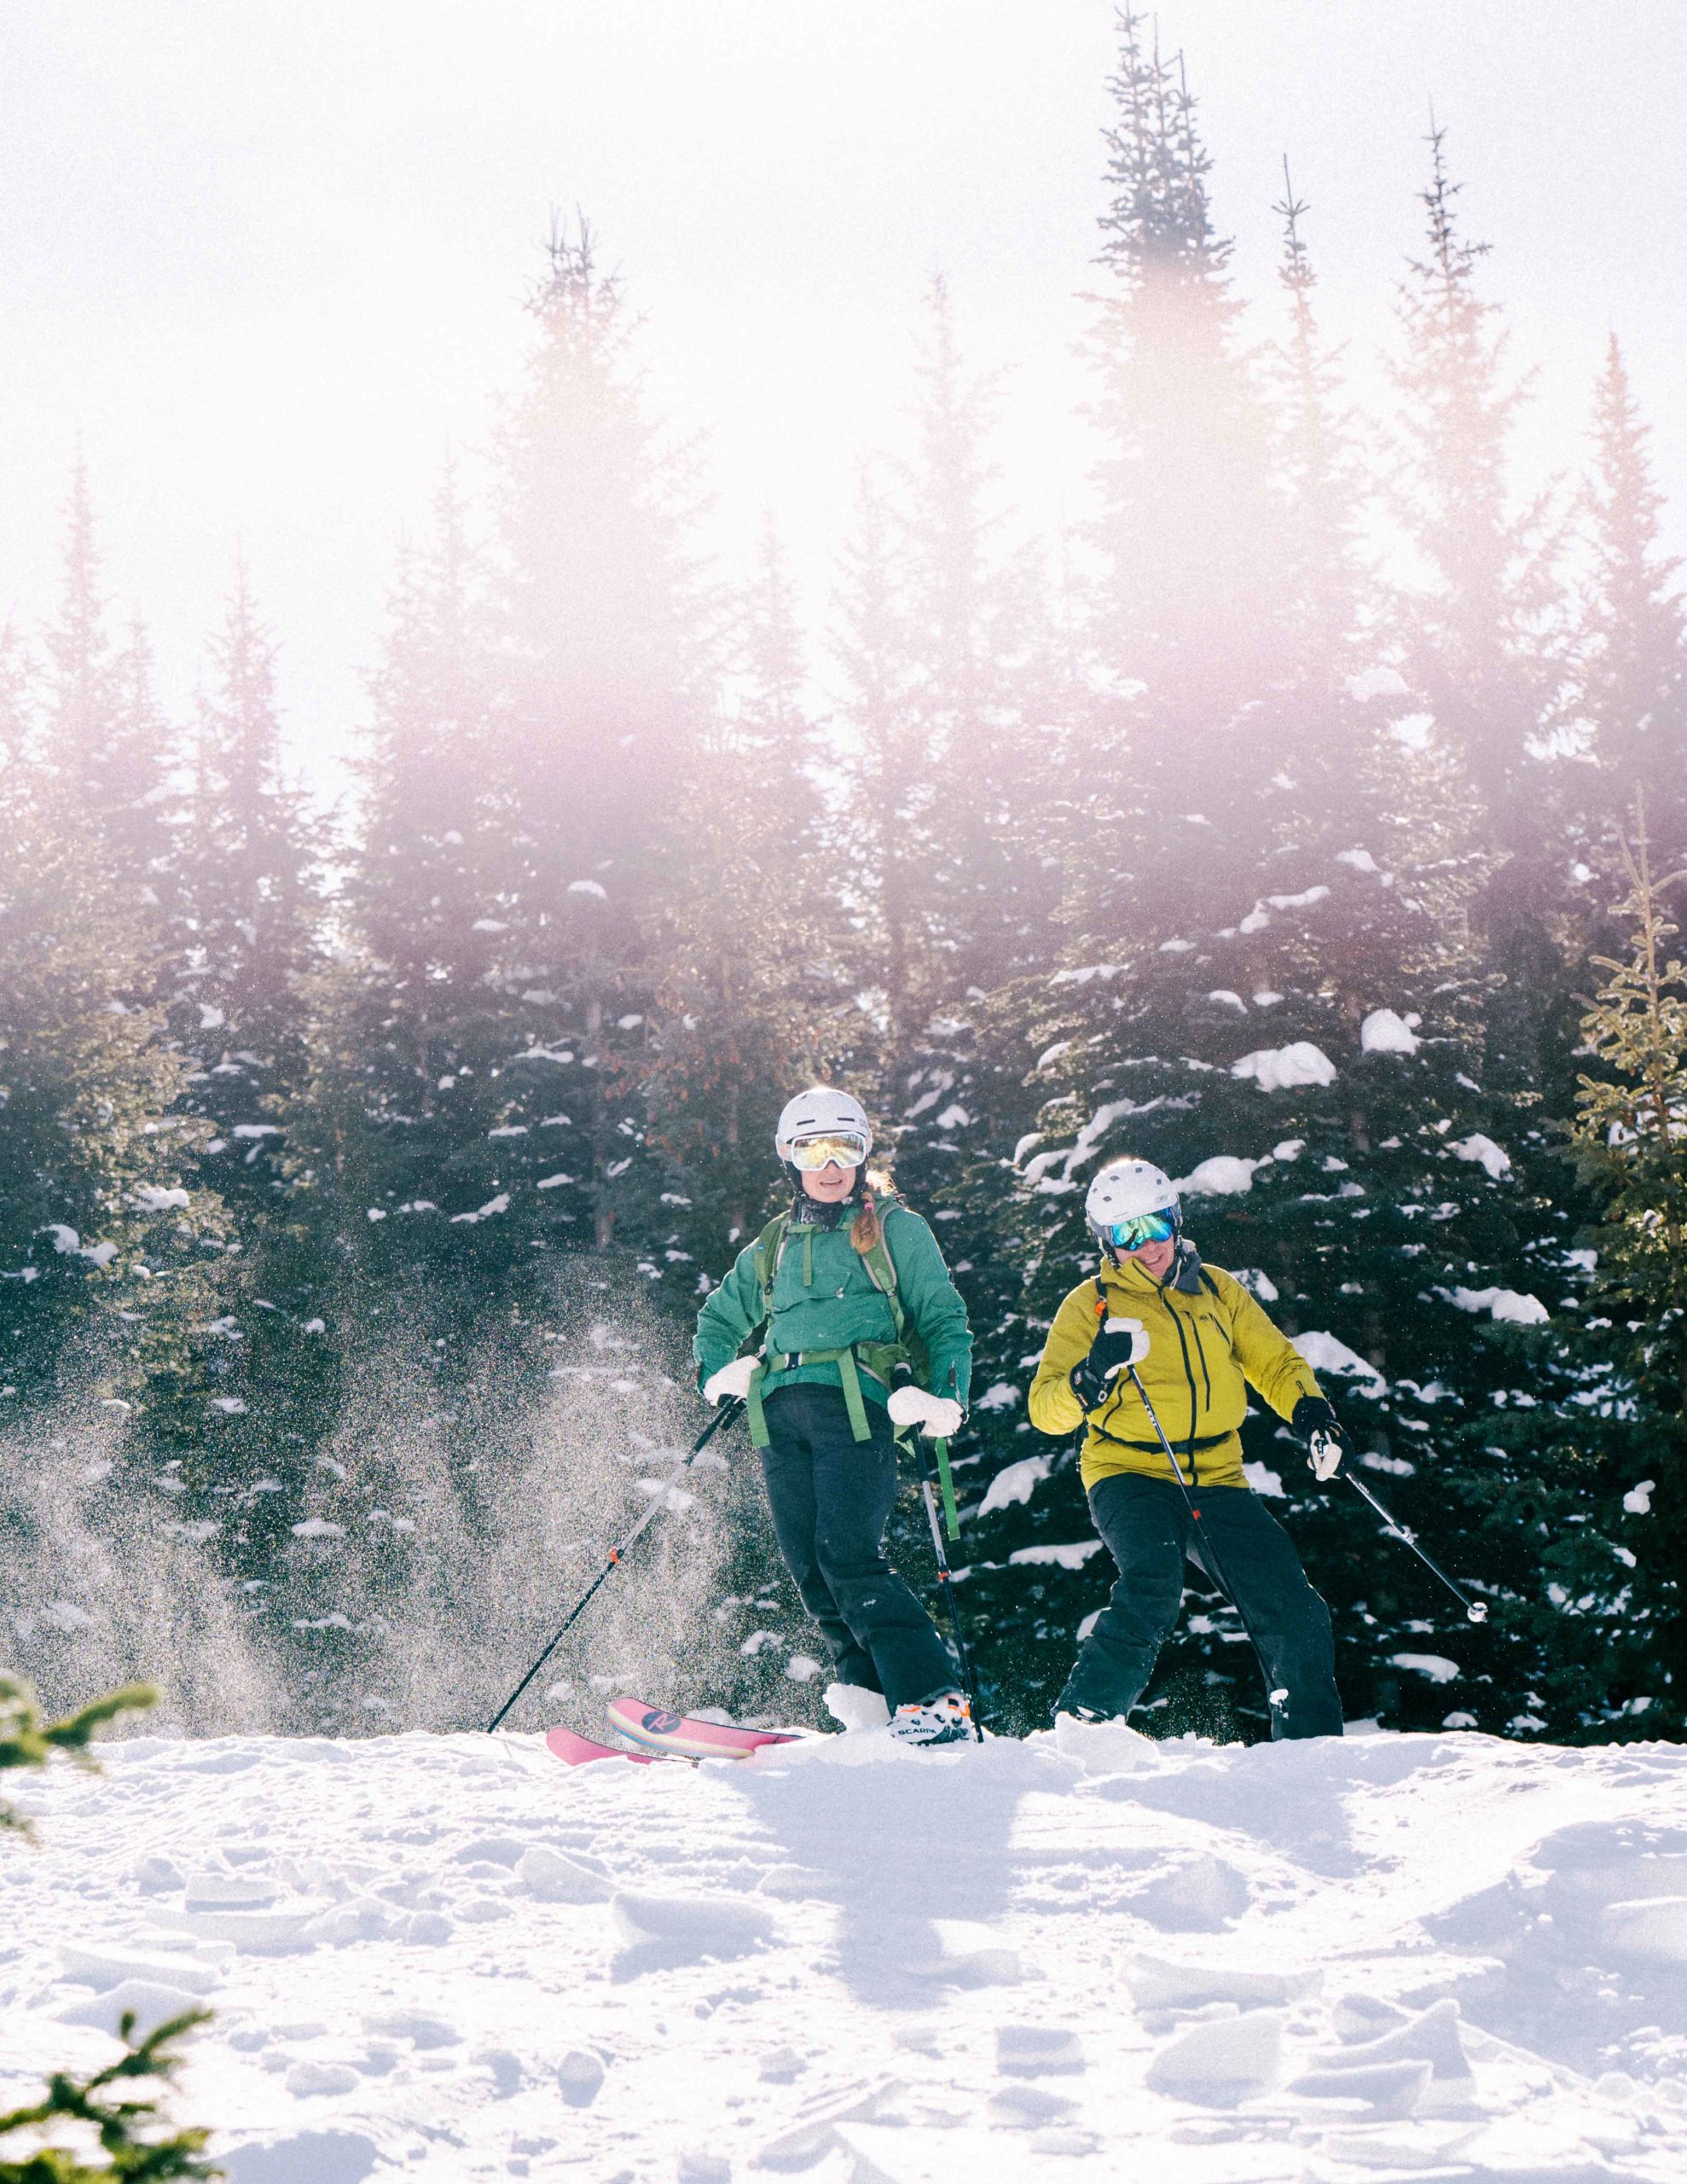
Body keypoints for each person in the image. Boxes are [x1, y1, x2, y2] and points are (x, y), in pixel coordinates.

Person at [693, 1087, 977, 1746]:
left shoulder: (897, 1229)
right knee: (810, 1566)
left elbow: (943, 1319)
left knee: (846, 1552)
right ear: (790, 1160)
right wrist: (716, 1375)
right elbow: (719, 1316)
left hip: (856, 1408)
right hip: (777, 1417)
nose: (828, 1164)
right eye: (810, 1149)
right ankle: (870, 1701)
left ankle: (934, 1699)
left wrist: (945, 1399)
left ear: (862, 1154)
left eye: (843, 1148)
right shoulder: (775, 1242)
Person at [1028, 1156, 1348, 1739]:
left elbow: (1273, 1361)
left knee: (1289, 1601)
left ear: (1176, 1220)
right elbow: (1045, 1408)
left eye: (1155, 1225)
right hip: (1128, 1471)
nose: (1146, 1246)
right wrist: (1091, 1377)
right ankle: (1083, 1727)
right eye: (1127, 1235)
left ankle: (1312, 1744)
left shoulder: (1218, 1290)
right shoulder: (1091, 1304)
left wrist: (1310, 1410)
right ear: (1107, 1243)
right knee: (1152, 1584)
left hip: (1217, 1474)